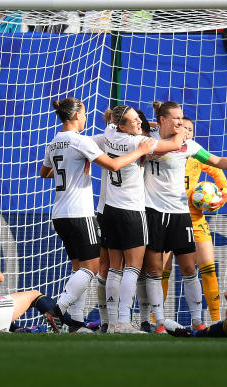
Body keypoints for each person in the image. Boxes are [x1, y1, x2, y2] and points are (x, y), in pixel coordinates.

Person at [40, 98, 155, 330]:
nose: (85, 119)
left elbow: (45, 172)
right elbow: (113, 165)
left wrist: (73, 169)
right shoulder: (81, 141)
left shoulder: (54, 142)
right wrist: (141, 150)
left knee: (78, 268)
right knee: (90, 268)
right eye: (83, 115)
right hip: (79, 213)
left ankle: (76, 323)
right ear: (75, 116)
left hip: (59, 213)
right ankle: (58, 310)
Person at [142, 102, 227, 332]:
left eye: (182, 118)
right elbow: (126, 126)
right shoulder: (146, 138)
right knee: (155, 271)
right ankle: (159, 322)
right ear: (162, 120)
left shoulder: (189, 145)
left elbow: (217, 161)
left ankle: (198, 320)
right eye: (176, 118)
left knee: (189, 268)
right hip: (153, 212)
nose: (181, 122)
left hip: (181, 214)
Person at [99, 104, 183, 334]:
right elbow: (175, 145)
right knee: (133, 268)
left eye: (139, 120)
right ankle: (125, 322)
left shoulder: (109, 133)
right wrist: (180, 125)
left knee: (115, 268)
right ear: (122, 126)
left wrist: (154, 124)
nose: (138, 124)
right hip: (131, 212)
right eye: (134, 121)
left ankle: (114, 323)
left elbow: (110, 117)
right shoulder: (137, 143)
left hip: (110, 210)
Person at [159, 118, 227, 331]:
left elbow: (218, 173)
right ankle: (156, 321)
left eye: (191, 129)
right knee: (162, 270)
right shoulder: (164, 151)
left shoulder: (197, 154)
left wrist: (220, 199)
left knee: (207, 268)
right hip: (168, 216)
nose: (188, 132)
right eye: (184, 128)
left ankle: (214, 320)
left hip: (195, 219)